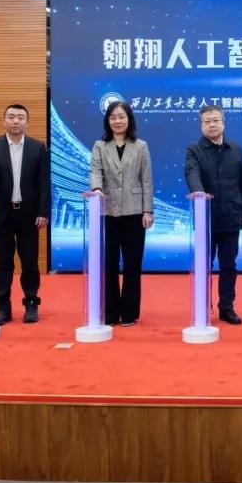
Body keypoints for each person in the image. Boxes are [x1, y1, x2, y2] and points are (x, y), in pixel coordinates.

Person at [0, 104, 51, 325]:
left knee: (29, 262)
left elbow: (44, 183)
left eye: (20, 117)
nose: (16, 121)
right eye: (11, 117)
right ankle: (3, 308)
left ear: (27, 123)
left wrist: (43, 211)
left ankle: (31, 303)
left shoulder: (37, 147)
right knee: (3, 262)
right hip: (1, 213)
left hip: (29, 214)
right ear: (4, 121)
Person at [89, 101, 154, 327]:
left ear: (129, 120)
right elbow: (95, 171)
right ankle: (109, 312)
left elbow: (146, 180)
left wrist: (148, 210)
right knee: (108, 265)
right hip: (107, 212)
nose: (117, 121)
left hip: (134, 213)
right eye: (113, 117)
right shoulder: (100, 146)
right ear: (108, 121)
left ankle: (128, 313)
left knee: (132, 265)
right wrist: (97, 189)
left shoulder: (141, 146)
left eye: (121, 117)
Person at [184, 105, 242, 324]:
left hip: (231, 216)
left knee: (229, 265)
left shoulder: (236, 149)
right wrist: (198, 192)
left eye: (216, 120)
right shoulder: (194, 149)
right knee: (203, 266)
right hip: (206, 216)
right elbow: (191, 172)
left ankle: (227, 307)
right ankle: (202, 308)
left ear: (223, 122)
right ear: (201, 125)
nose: (212, 125)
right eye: (207, 121)